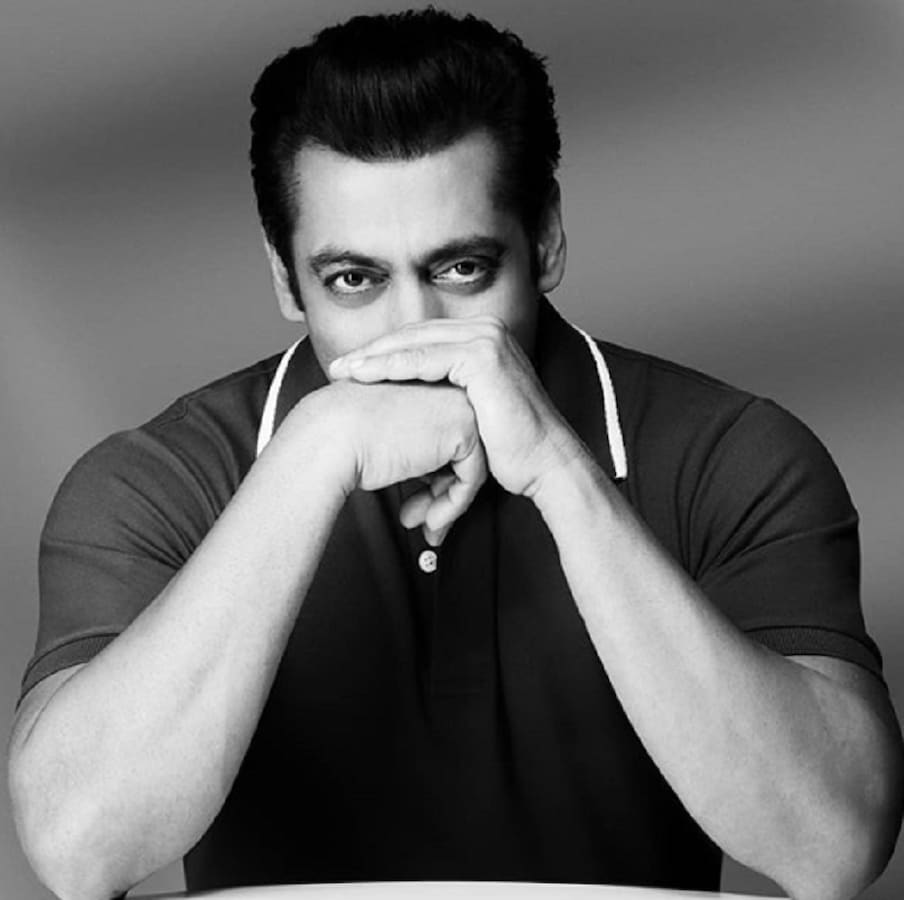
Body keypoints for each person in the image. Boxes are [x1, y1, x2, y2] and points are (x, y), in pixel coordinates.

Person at [8, 9, 903, 900]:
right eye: (353, 280)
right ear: (285, 278)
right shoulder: (159, 479)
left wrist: (558, 470)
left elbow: (832, 849)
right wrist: (312, 452)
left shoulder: (733, 453)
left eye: (460, 270)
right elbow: (81, 852)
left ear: (545, 240)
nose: (415, 332)